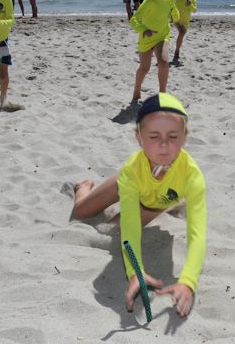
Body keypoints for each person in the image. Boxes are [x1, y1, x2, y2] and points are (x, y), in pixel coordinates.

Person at [72, 93, 207, 318]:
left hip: (158, 200)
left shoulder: (193, 176)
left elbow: (198, 234)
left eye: (173, 136)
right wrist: (135, 272)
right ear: (139, 137)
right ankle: (84, 187)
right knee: (82, 211)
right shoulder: (131, 171)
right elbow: (131, 227)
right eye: (154, 136)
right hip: (130, 183)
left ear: (185, 137)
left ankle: (168, 204)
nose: (164, 144)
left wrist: (188, 282)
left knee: (114, 227)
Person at [129, 0, 182, 101]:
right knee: (144, 68)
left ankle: (162, 94)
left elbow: (172, 8)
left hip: (162, 35)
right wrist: (143, 29)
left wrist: (177, 19)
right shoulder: (150, 1)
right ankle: (137, 89)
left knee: (164, 63)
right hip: (147, 38)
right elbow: (134, 19)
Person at [173, 0, 197, 65]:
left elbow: (195, 10)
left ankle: (177, 49)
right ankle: (176, 51)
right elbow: (168, 5)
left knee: (182, 34)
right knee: (182, 32)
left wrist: (190, 5)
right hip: (176, 19)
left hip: (186, 21)